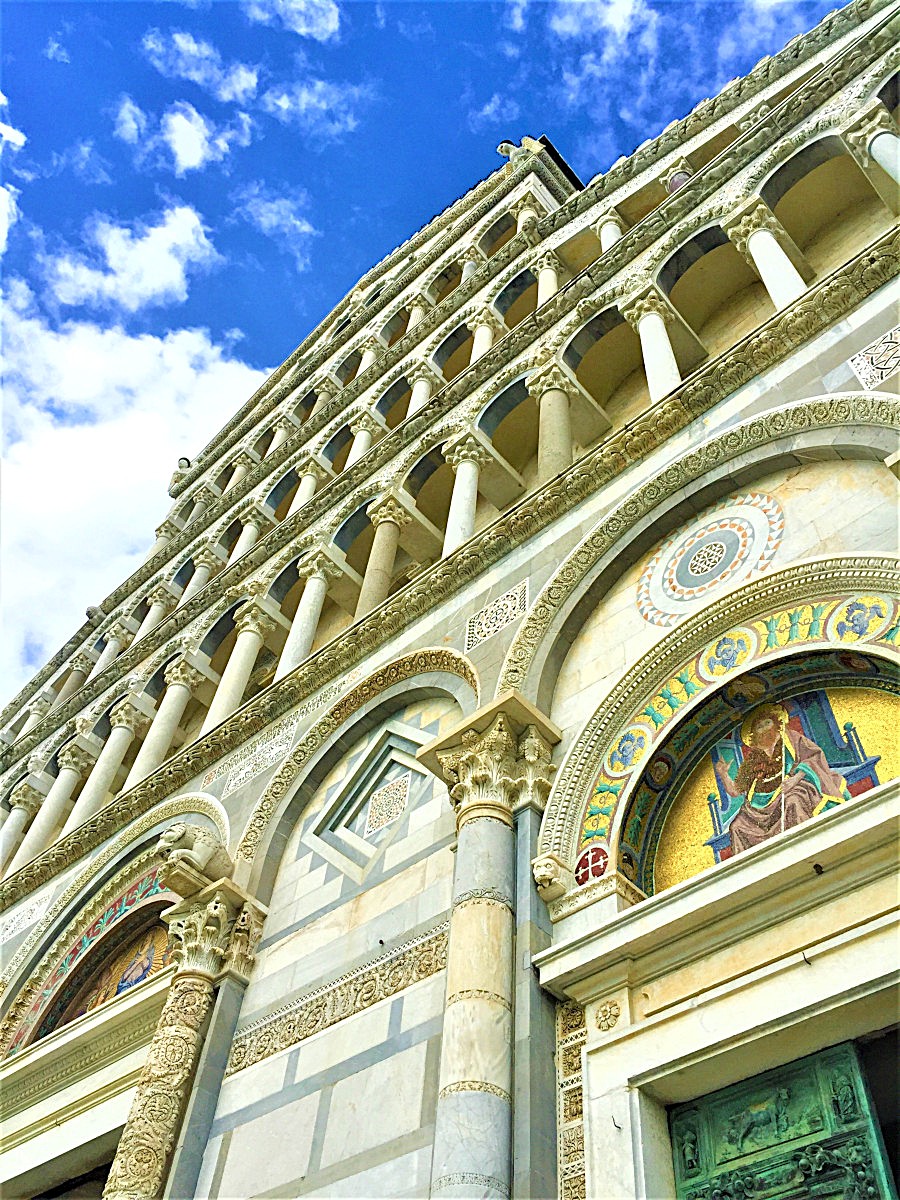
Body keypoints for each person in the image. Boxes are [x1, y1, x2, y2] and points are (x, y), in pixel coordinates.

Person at [714, 703, 849, 855]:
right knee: (737, 826)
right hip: (760, 807)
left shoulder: (791, 739)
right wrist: (724, 774)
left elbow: (813, 756)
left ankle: (809, 850)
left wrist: (794, 779)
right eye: (759, 726)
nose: (764, 728)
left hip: (794, 788)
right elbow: (735, 791)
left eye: (767, 722)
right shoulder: (754, 759)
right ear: (754, 734)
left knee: (793, 801)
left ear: (776, 722)